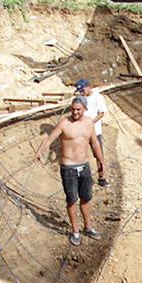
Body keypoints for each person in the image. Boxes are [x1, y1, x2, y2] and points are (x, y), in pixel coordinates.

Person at [36, 97, 106, 245]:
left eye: (78, 109)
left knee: (86, 198)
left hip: (85, 166)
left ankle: (88, 227)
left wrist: (101, 161)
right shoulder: (64, 124)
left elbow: (94, 143)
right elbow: (50, 138)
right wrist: (39, 151)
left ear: (85, 109)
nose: (74, 112)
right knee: (72, 200)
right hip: (69, 168)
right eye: (73, 109)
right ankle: (75, 230)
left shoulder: (89, 123)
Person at [75, 79, 109, 187]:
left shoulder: (98, 97)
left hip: (95, 131)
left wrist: (91, 122)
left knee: (99, 155)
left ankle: (101, 177)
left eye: (83, 90)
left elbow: (101, 113)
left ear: (88, 86)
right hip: (82, 131)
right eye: (80, 91)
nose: (82, 92)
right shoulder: (80, 98)